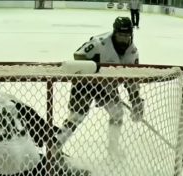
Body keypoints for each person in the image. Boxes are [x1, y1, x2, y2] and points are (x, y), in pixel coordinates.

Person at [56, 16, 144, 154]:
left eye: (126, 36)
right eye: (120, 36)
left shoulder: (132, 52)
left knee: (117, 113)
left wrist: (136, 100)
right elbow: (78, 55)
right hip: (85, 83)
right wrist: (96, 71)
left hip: (106, 87)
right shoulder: (99, 43)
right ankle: (56, 146)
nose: (123, 40)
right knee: (77, 116)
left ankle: (113, 149)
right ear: (114, 33)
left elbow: (132, 78)